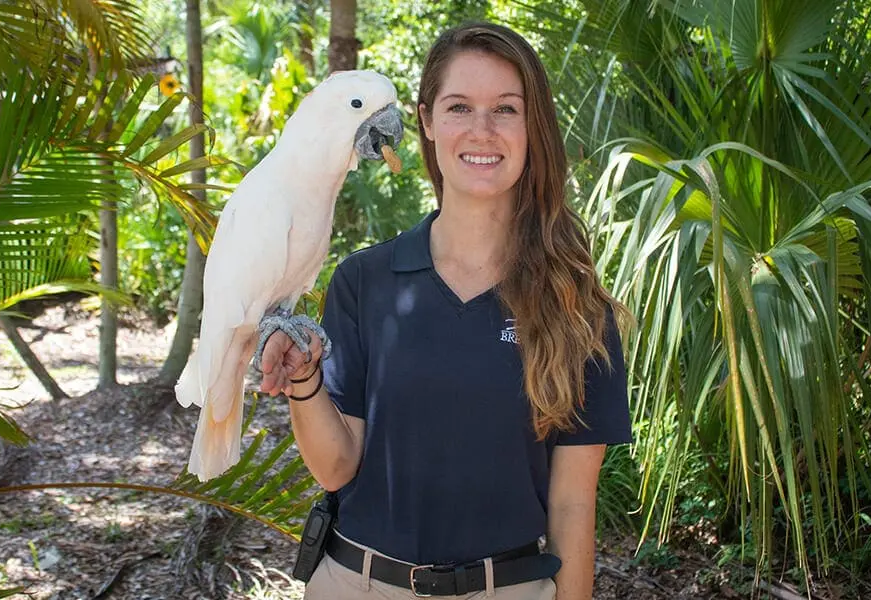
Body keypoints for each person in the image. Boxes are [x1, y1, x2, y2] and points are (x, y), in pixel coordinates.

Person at [258, 21, 632, 600]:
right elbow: (336, 468)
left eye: (506, 109)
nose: (482, 130)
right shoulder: (364, 280)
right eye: (459, 107)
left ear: (533, 126)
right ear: (427, 121)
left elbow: (573, 504)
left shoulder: (576, 305)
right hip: (356, 584)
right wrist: (304, 380)